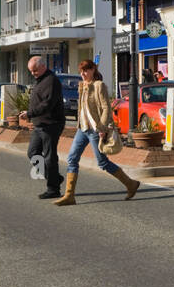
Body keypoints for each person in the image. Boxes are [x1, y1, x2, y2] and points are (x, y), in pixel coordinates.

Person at [56, 60, 140, 205]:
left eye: (86, 70)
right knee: (72, 158)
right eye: (81, 71)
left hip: (95, 130)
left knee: (102, 162)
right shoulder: (82, 86)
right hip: (83, 128)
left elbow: (106, 108)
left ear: (93, 70)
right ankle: (69, 195)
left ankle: (131, 184)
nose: (83, 73)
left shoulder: (98, 85)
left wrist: (102, 127)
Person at [21, 55, 65, 200]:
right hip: (39, 124)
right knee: (33, 153)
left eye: (35, 71)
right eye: (31, 71)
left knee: (49, 157)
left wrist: (30, 113)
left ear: (42, 67)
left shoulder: (51, 81)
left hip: (51, 124)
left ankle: (53, 189)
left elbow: (47, 104)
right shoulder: (40, 80)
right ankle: (54, 178)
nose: (33, 74)